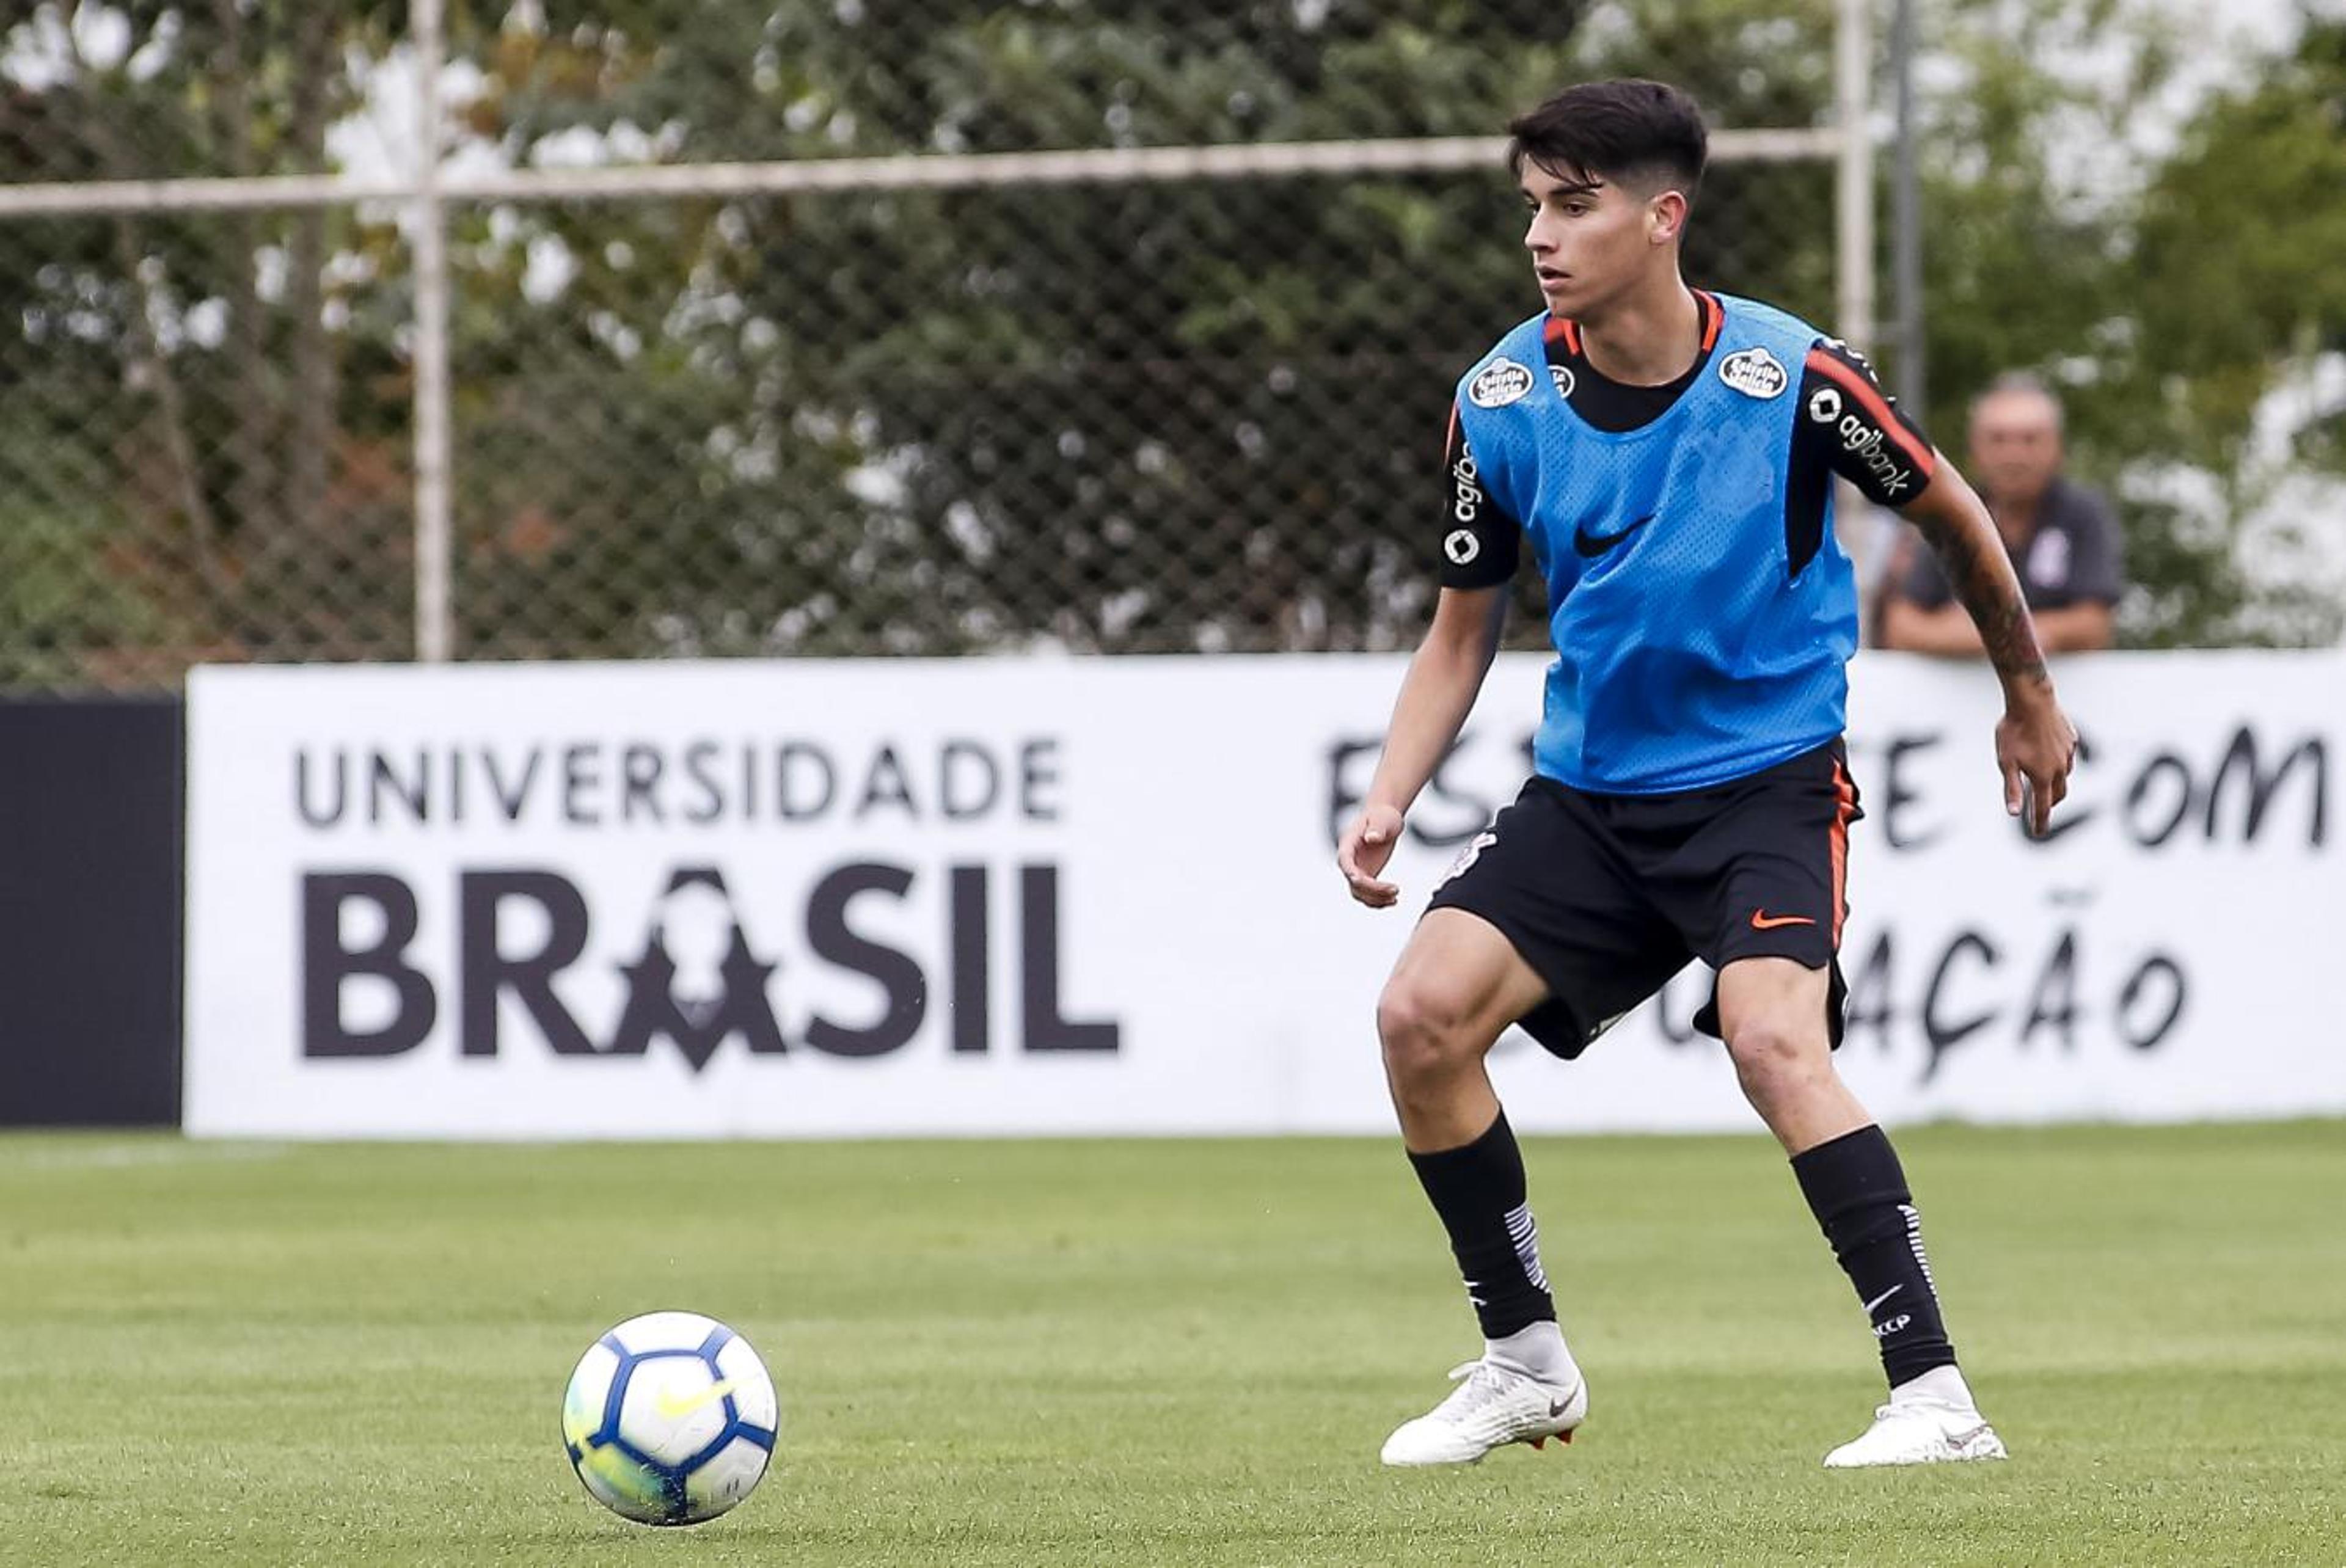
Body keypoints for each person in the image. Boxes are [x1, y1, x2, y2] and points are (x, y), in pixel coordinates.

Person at [1335, 79, 2078, 1470]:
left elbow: (1953, 511)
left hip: (1766, 782)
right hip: (1589, 793)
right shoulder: (1497, 399)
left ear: (1661, 216)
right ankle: (1524, 1362)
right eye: (1529, 209)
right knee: (1418, 1017)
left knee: (1770, 1040)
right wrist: (1390, 790)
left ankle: (1933, 1394)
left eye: (1574, 205)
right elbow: (1460, 627)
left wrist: (2025, 694)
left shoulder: (1794, 381)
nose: (1540, 238)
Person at [1876, 373, 2124, 654]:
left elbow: (2094, 625)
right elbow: (1901, 627)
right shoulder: (1947, 512)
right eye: (1998, 439)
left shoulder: (2083, 514)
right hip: (1955, 694)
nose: (2013, 455)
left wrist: (1970, 633)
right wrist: (2029, 636)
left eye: (2030, 440)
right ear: (1975, 448)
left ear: (2057, 447)